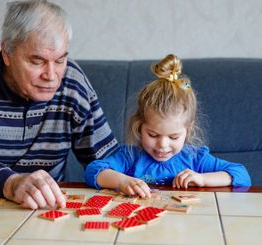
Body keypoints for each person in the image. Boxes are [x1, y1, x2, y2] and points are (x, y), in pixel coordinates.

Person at [0, 0, 119, 209]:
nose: (51, 76)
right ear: (7, 53)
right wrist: (10, 183)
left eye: (59, 61)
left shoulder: (72, 83)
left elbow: (109, 161)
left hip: (46, 209)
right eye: (37, 61)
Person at [85, 54, 251, 198]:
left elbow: (241, 175)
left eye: (173, 137)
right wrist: (122, 181)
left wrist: (202, 179)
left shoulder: (195, 158)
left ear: (189, 131)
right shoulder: (130, 156)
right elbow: (93, 170)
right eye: (153, 135)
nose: (162, 145)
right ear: (139, 127)